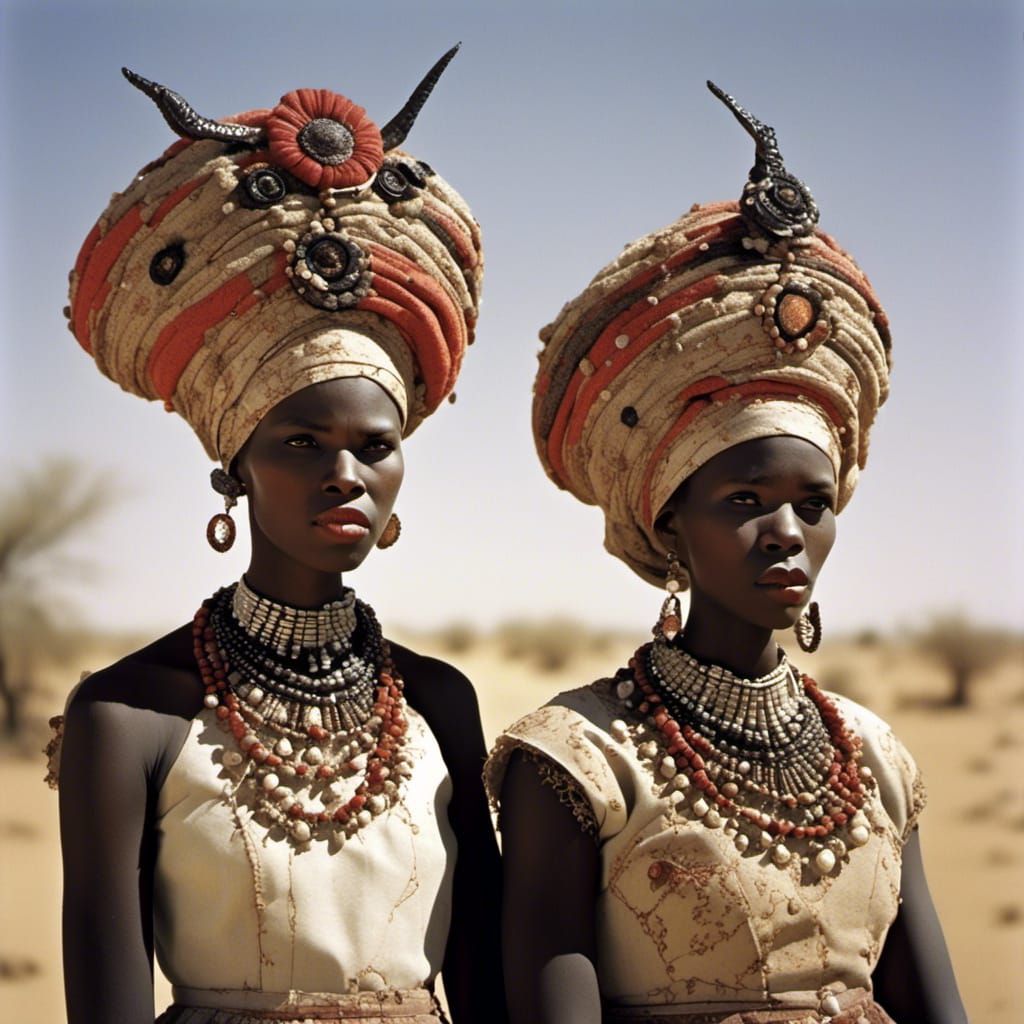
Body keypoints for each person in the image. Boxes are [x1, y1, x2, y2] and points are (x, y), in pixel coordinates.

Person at [486, 83, 966, 1024]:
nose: (786, 531)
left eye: (812, 504)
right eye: (745, 501)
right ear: (672, 526)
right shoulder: (578, 763)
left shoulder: (875, 760)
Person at [48, 49, 505, 1024]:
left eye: (372, 446)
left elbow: (486, 982)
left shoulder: (441, 705)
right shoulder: (126, 716)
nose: (345, 473)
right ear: (237, 467)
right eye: (303, 440)